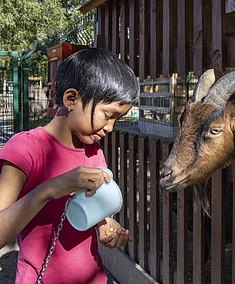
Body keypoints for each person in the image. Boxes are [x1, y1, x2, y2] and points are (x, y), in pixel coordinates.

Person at [0, 48, 138, 283]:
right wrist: (49, 190)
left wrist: (106, 226)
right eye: (108, 115)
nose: (110, 128)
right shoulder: (25, 149)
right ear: (71, 99)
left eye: (118, 119)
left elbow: (93, 212)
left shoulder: (92, 150)